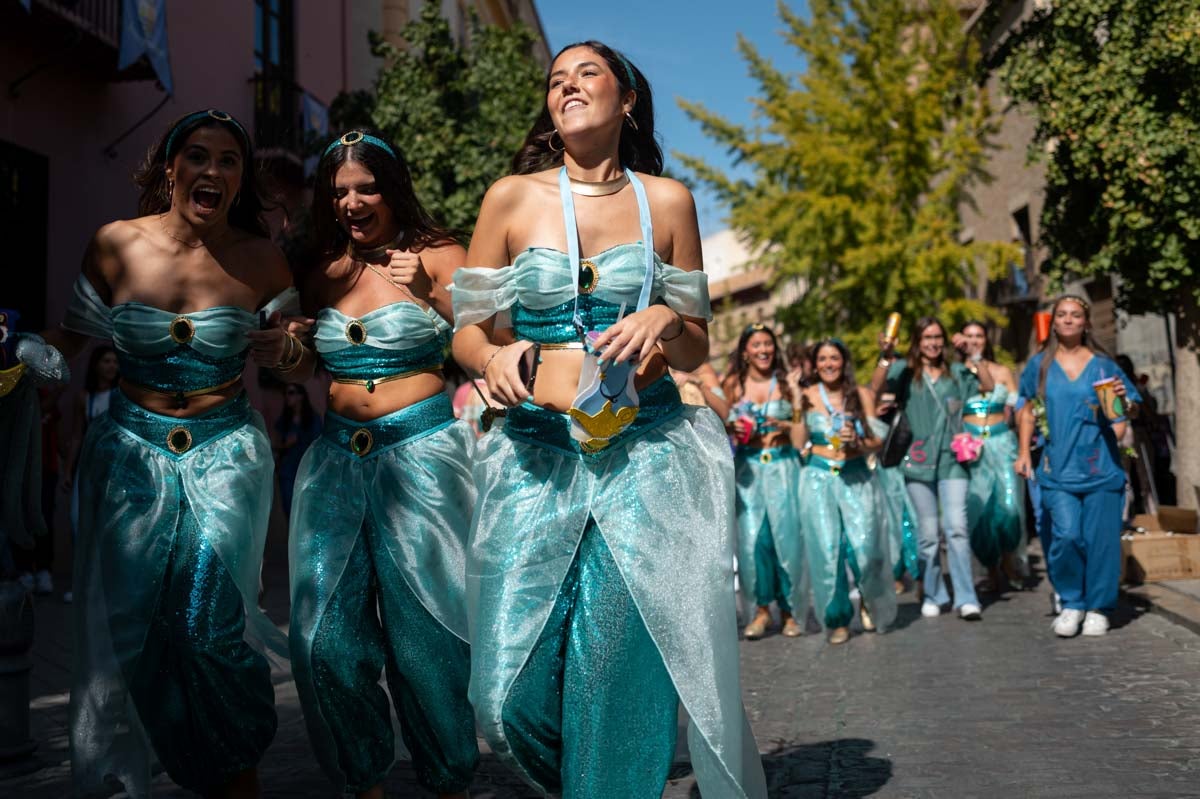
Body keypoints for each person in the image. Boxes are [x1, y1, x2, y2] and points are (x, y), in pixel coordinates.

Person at [451, 41, 767, 799]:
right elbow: (467, 328)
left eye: (585, 73)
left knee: (615, 673)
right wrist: (488, 359)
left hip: (644, 456)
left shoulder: (668, 201)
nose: (567, 86)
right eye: (556, 80)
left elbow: (698, 340)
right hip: (535, 459)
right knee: (504, 697)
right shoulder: (511, 197)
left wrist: (663, 314)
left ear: (627, 99)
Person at [26, 109, 306, 798]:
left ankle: (237, 764)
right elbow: (72, 337)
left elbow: (297, 361)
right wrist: (27, 358)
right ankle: (145, 772)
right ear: (170, 167)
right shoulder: (115, 245)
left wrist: (287, 349)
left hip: (227, 454)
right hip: (127, 456)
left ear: (241, 180)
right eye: (199, 157)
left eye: (229, 161)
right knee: (132, 627)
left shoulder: (263, 258)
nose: (213, 171)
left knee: (209, 621)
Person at [285, 129, 478, 799]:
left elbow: (491, 338)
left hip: (423, 458)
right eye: (339, 192)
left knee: (426, 640)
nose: (352, 201)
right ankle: (362, 779)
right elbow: (306, 364)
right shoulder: (321, 271)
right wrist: (290, 350)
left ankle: (449, 777)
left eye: (366, 186)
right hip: (334, 461)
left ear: (391, 188)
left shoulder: (441, 252)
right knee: (321, 640)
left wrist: (433, 291)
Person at [1016, 295, 1140, 638]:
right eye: (1062, 315)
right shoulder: (1039, 365)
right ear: (1053, 322)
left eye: (1075, 315)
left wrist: (1124, 405)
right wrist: (1024, 451)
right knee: (1066, 536)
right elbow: (1026, 408)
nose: (1068, 320)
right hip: (1058, 469)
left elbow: (1122, 419)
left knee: (1100, 541)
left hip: (1101, 468)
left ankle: (1099, 607)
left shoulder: (1103, 366)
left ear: (1086, 323)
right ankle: (1072, 601)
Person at [871, 316, 995, 621]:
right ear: (917, 341)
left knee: (956, 528)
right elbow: (874, 388)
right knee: (927, 534)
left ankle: (966, 597)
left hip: (953, 460)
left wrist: (972, 355)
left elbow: (988, 386)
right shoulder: (905, 371)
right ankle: (933, 592)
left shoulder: (956, 373)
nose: (933, 343)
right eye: (926, 337)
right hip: (916, 461)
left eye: (938, 337)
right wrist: (885, 356)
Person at [795, 339, 897, 644]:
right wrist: (798, 409)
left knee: (865, 550)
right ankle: (837, 617)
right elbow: (799, 442)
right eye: (823, 358)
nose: (828, 364)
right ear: (815, 364)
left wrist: (857, 442)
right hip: (819, 478)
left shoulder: (862, 394)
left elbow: (878, 442)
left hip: (856, 476)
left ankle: (869, 598)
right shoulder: (807, 395)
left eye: (834, 358)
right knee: (828, 551)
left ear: (843, 362)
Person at [722, 324, 807, 639]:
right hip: (749, 470)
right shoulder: (733, 384)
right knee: (752, 542)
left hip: (784, 467)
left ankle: (790, 611)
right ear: (745, 351)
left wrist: (791, 412)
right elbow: (722, 423)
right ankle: (759, 610)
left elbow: (800, 440)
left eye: (768, 344)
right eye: (756, 344)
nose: (763, 350)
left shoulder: (787, 383)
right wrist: (734, 428)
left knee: (786, 541)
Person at [958, 320, 1026, 591]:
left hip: (1002, 444)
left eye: (979, 336)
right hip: (971, 449)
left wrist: (1023, 448)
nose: (974, 340)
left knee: (1009, 505)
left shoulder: (1002, 371)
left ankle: (1010, 558)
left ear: (986, 341)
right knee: (980, 510)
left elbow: (1019, 411)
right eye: (969, 336)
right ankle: (991, 567)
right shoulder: (956, 374)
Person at [273, 382, 321, 517]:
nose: (287, 397)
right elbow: (276, 444)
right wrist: (285, 445)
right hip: (287, 471)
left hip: (307, 470)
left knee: (306, 511)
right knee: (289, 509)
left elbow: (318, 445)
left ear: (301, 396)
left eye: (291, 393)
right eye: (286, 393)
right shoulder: (285, 420)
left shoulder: (313, 419)